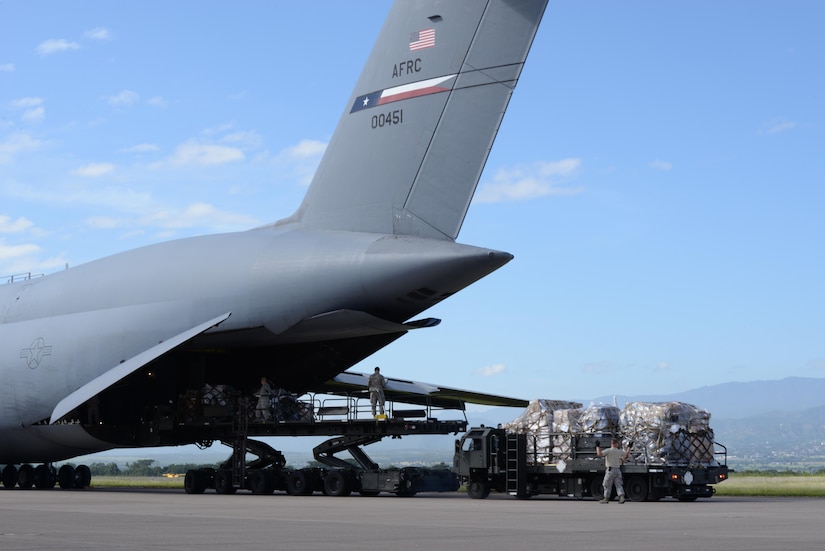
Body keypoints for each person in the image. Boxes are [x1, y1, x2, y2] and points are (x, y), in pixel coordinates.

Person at [596, 438, 631, 503]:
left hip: (610, 470)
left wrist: (597, 446)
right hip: (618, 470)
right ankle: (621, 497)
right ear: (616, 444)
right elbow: (627, 454)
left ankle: (606, 498)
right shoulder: (619, 451)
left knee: (606, 484)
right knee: (618, 484)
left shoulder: (608, 451)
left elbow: (599, 454)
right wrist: (629, 447)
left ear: (611, 443)